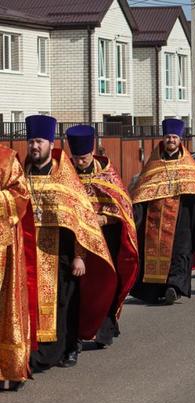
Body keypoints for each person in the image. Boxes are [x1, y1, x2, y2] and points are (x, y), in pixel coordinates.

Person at [24, 115, 117, 369]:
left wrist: (80, 255)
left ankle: (68, 349)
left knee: (65, 302)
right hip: (31, 253)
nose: (34, 146)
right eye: (31, 141)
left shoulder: (64, 176)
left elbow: (80, 218)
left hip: (62, 252)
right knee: (33, 302)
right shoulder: (23, 174)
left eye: (39, 141)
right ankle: (35, 353)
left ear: (50, 143)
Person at [129, 119, 195, 305]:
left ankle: (174, 287)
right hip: (154, 220)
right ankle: (155, 290)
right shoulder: (153, 164)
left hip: (182, 217)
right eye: (168, 137)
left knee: (181, 252)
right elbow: (140, 192)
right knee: (153, 253)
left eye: (174, 137)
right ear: (163, 139)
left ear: (180, 140)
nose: (171, 140)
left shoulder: (189, 164)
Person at [66, 125, 138, 350]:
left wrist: (104, 220)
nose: (80, 162)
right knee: (77, 288)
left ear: (92, 152)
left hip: (107, 239)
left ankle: (104, 329)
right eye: (76, 158)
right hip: (76, 240)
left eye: (84, 158)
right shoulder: (66, 175)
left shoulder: (107, 174)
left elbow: (124, 208)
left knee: (105, 284)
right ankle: (75, 334)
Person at [0, 144, 31, 391]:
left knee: (6, 306)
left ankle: (8, 368)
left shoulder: (8, 158)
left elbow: (21, 194)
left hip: (5, 246)